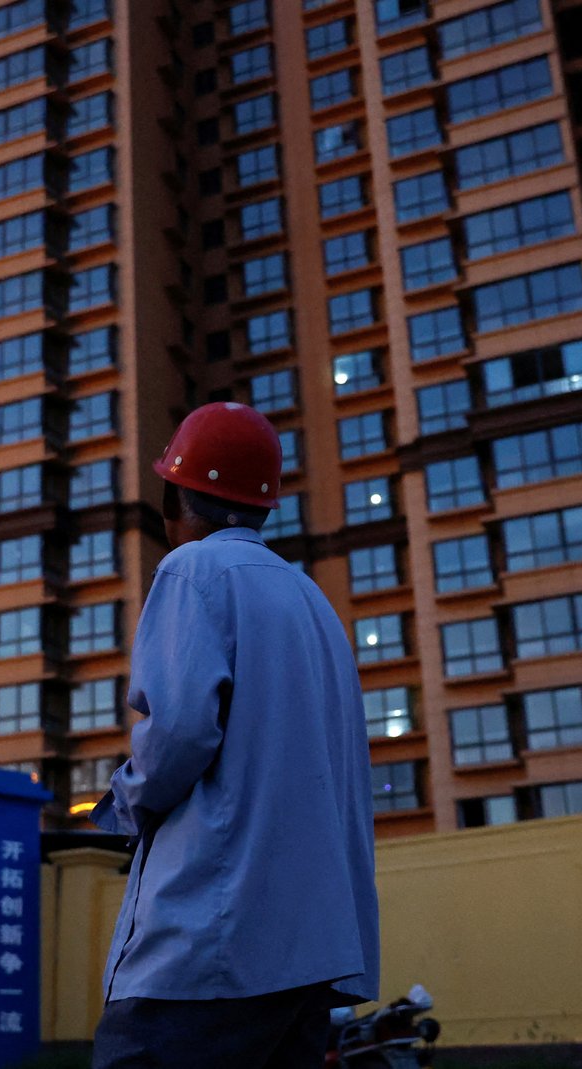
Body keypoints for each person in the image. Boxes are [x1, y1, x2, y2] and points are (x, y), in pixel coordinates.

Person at [90, 401, 380, 1069]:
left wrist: (125, 806)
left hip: (206, 951)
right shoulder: (313, 602)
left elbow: (179, 736)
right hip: (308, 960)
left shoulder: (193, 571)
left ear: (181, 495)